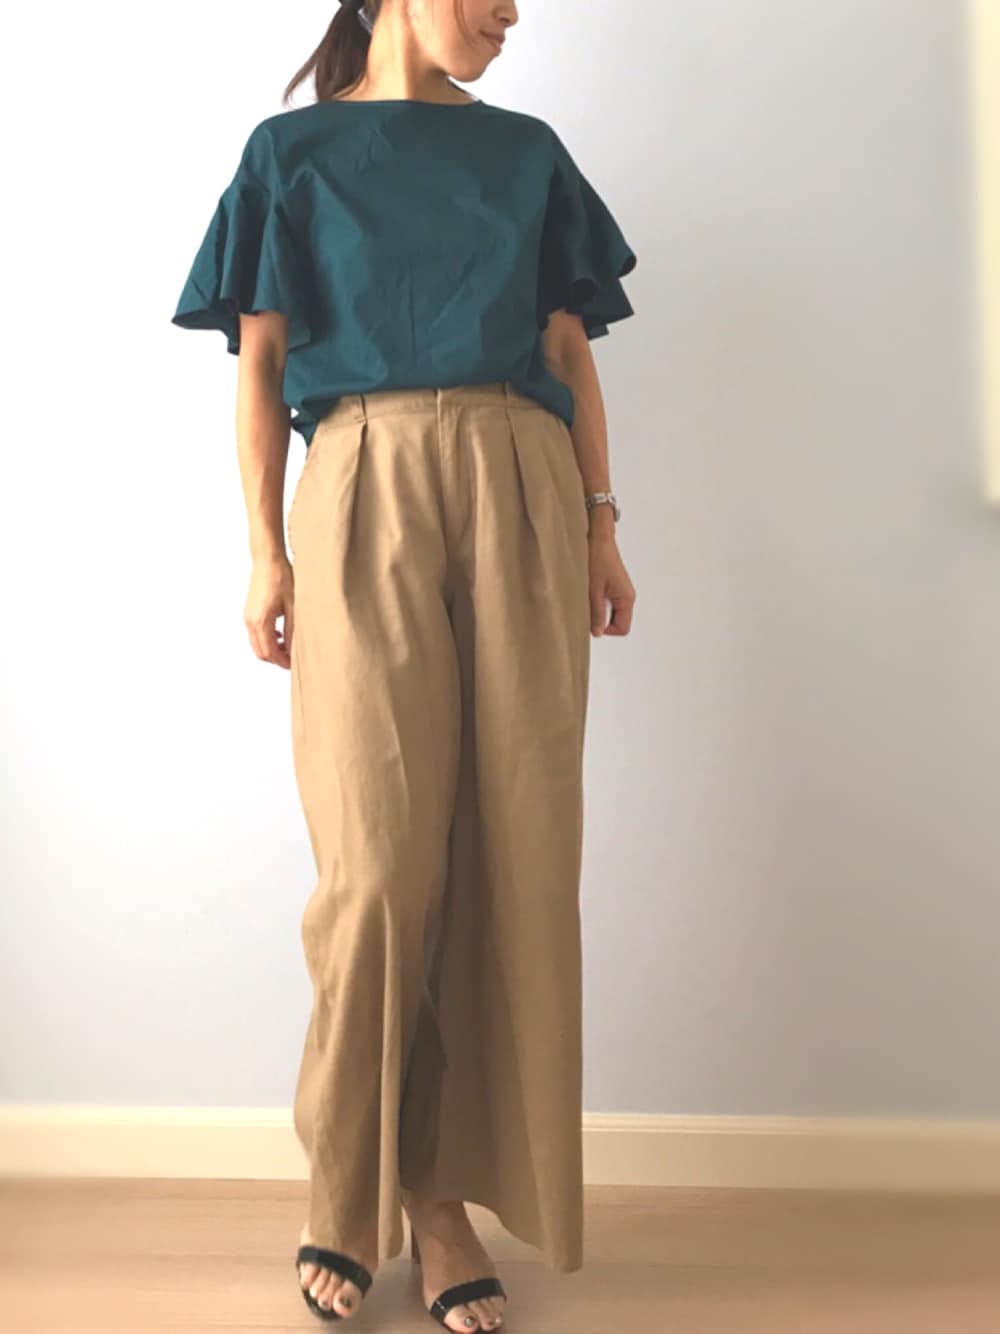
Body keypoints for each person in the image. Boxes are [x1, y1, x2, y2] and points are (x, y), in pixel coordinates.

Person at [170, 0, 638, 1328]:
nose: (509, 11)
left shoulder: (527, 152)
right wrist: (265, 552)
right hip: (362, 480)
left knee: (514, 851)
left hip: (525, 486)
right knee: (378, 869)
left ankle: (438, 1201)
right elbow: (262, 363)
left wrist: (604, 524)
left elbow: (567, 348)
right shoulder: (291, 155)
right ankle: (344, 1188)